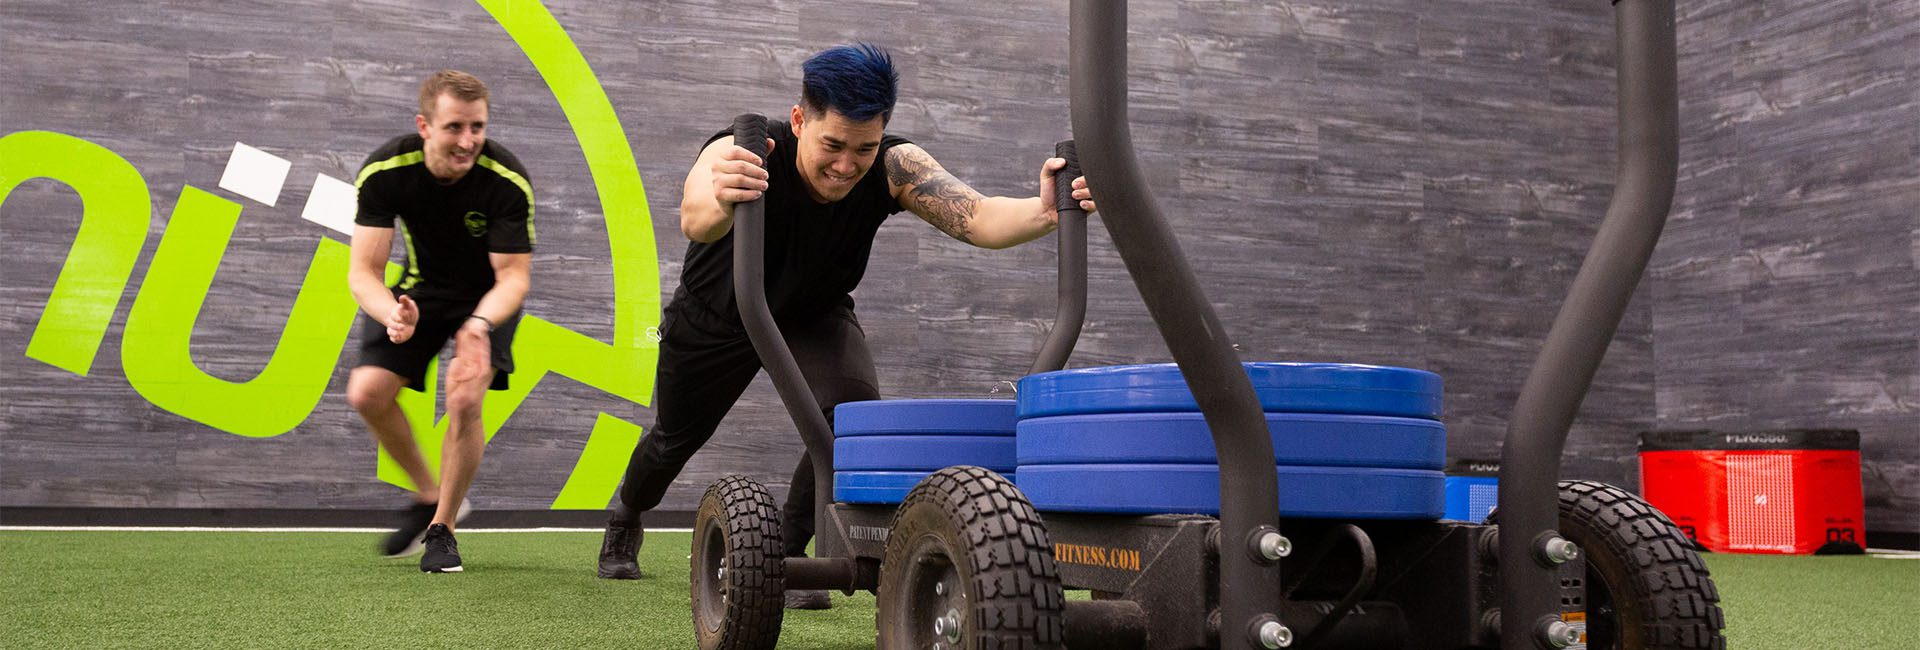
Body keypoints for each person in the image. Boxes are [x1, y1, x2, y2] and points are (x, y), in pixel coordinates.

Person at [595, 43, 1095, 609]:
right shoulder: (743, 150)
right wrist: (721, 195)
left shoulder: (894, 167)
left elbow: (976, 217)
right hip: (719, 312)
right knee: (672, 438)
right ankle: (627, 514)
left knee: (846, 424)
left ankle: (788, 558)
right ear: (799, 119)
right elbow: (696, 219)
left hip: (815, 311)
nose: (846, 165)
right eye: (832, 144)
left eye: (864, 147)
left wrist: (1044, 210)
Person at [345, 70, 534, 574]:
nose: (468, 140)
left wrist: (478, 325)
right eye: (454, 127)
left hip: (486, 298)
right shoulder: (386, 172)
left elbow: (513, 279)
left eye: (478, 127)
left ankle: (443, 529)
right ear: (424, 125)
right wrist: (392, 312)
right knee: (367, 392)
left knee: (465, 394)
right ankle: (429, 494)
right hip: (422, 288)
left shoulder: (506, 180)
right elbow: (363, 273)